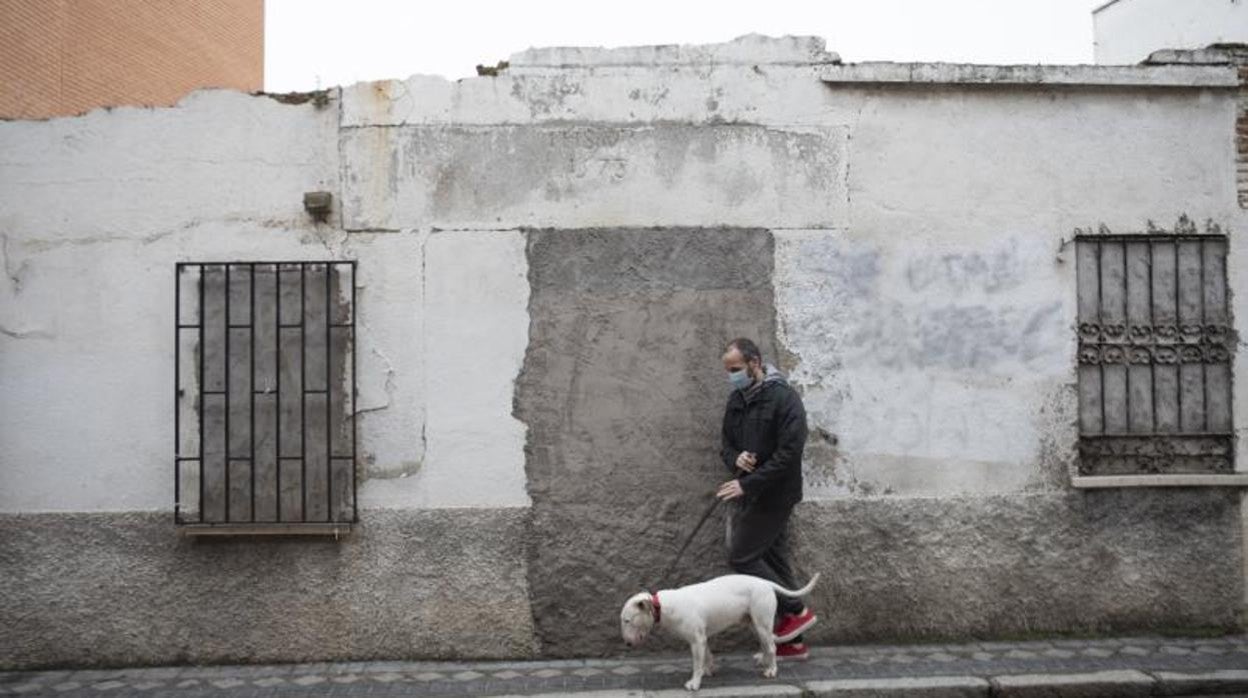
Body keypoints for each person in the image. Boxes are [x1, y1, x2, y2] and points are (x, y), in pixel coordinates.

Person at [715, 337, 816, 660]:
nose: (732, 375)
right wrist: (736, 460)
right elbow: (726, 443)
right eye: (728, 370)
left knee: (742, 556)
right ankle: (792, 643)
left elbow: (790, 453)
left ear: (755, 363)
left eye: (736, 369)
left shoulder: (784, 398)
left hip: (776, 494)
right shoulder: (737, 400)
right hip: (752, 494)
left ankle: (796, 610)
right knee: (773, 561)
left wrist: (749, 483)